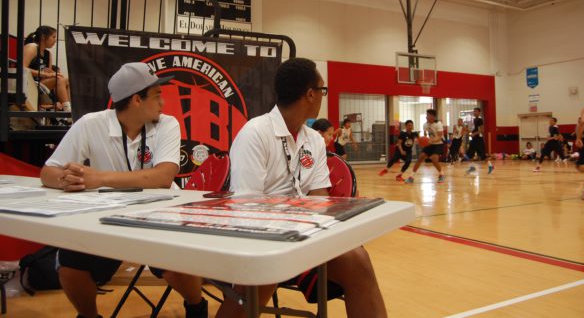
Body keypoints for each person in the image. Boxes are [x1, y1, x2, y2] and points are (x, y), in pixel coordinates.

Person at [217, 58, 387, 318]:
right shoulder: (255, 133)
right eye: (323, 91)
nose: (322, 96)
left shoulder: (314, 141)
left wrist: (349, 214)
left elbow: (320, 198)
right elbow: (247, 209)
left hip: (306, 235)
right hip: (264, 237)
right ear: (310, 94)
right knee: (261, 276)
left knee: (358, 261)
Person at [40, 62, 207, 318]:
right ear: (137, 100)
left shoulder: (167, 124)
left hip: (161, 216)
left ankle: (196, 307)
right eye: (158, 95)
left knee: (179, 261)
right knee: (70, 264)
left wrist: (99, 178)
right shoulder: (90, 124)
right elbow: (47, 172)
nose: (163, 103)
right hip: (108, 220)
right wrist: (65, 179)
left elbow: (163, 177)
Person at [23, 25, 71, 112]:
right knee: (58, 79)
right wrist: (46, 74)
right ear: (43, 37)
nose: (55, 40)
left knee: (67, 80)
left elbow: (48, 76)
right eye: (53, 37)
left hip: (40, 85)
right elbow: (22, 68)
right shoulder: (32, 47)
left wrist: (52, 73)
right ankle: (67, 111)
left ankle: (69, 109)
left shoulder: (48, 54)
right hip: (27, 84)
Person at [405, 109, 445, 184]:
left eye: (428, 115)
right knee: (421, 157)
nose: (426, 116)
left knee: (434, 159)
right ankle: (411, 177)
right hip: (430, 144)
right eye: (426, 115)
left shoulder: (438, 124)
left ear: (433, 116)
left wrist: (431, 141)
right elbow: (426, 136)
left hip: (438, 144)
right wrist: (421, 141)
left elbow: (440, 137)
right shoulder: (425, 125)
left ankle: (441, 174)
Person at [465, 108, 494, 175]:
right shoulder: (474, 120)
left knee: (483, 156)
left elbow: (482, 130)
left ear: (479, 112)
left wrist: (474, 134)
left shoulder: (480, 120)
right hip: (474, 140)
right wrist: (468, 131)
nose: (474, 112)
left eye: (476, 111)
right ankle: (472, 168)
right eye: (474, 111)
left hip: (479, 140)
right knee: (469, 155)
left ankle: (491, 166)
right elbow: (475, 130)